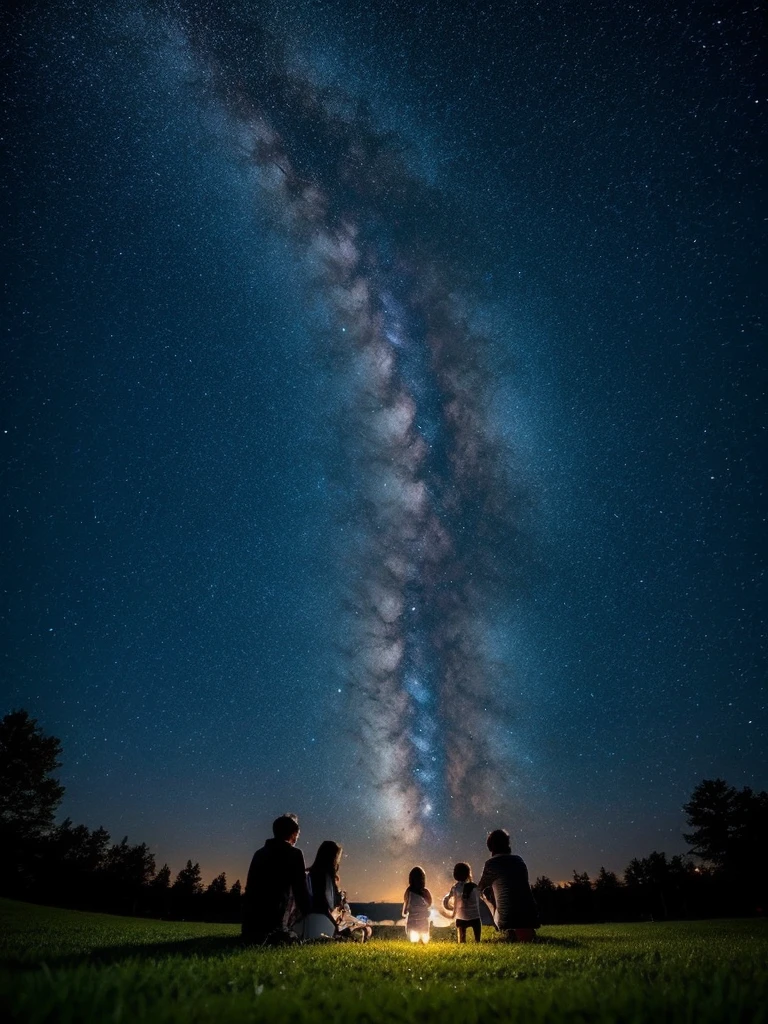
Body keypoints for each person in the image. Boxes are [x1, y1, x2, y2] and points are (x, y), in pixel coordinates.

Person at [242, 812, 311, 943]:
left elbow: (250, 887)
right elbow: (300, 889)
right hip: (274, 925)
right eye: (297, 835)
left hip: (250, 925)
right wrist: (309, 912)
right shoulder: (294, 853)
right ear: (294, 834)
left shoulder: (260, 853)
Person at [477, 828, 539, 942]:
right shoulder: (519, 860)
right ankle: (525, 931)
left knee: (481, 895)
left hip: (507, 920)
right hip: (531, 917)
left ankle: (504, 929)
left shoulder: (491, 864)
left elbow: (478, 889)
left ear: (490, 847)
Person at [298, 840, 344, 940]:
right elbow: (322, 903)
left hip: (318, 918)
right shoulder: (321, 876)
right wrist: (334, 923)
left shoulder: (319, 875)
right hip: (321, 920)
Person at [442, 862, 483, 943]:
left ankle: (462, 940)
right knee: (477, 925)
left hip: (461, 917)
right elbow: (480, 899)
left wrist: (451, 908)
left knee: (461, 934)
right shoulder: (474, 886)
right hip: (475, 917)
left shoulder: (455, 888)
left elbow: (446, 901)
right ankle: (477, 940)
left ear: (455, 875)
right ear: (468, 874)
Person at [403, 865, 432, 943]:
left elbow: (406, 901)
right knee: (423, 933)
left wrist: (405, 911)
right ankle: (422, 941)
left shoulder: (409, 891)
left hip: (412, 917)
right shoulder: (425, 891)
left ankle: (417, 941)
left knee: (413, 934)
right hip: (423, 917)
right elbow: (429, 903)